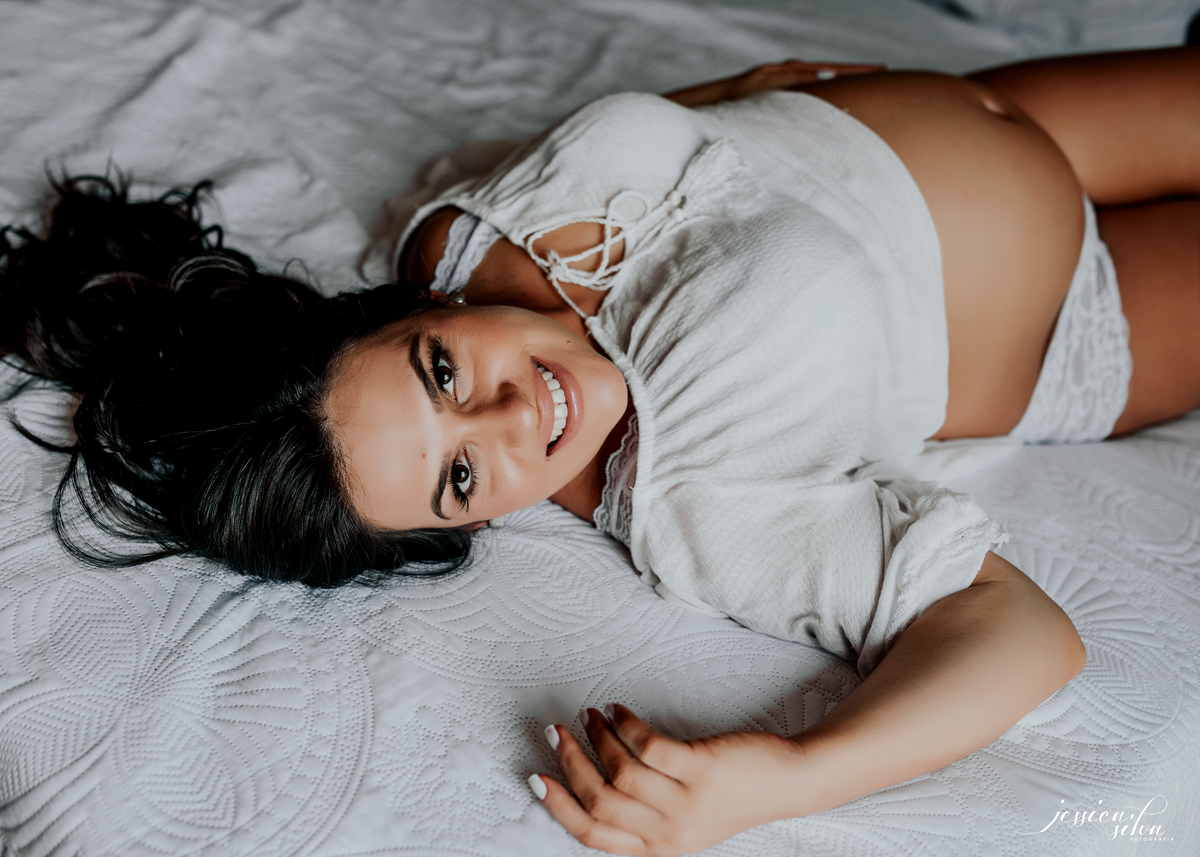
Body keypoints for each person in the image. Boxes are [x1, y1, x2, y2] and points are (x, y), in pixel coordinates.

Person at [0, 46, 1196, 857]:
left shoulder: (459, 239)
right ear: (473, 523)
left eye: (441, 371)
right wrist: (786, 777)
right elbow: (1021, 631)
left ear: (407, 310)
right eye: (461, 476)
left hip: (980, 105)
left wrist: (752, 90)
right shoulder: (697, 499)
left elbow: (676, 134)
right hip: (1081, 308)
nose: (513, 415)